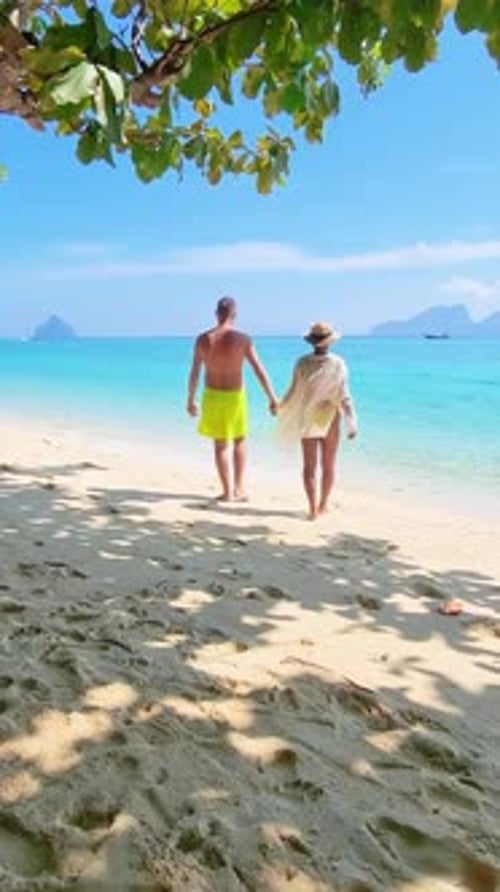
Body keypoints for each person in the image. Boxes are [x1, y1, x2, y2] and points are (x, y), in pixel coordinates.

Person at [187, 297, 278, 501]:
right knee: (239, 440)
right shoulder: (243, 339)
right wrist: (272, 398)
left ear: (216, 313)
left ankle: (227, 492)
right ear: (234, 315)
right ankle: (239, 488)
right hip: (235, 396)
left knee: (220, 444)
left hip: (212, 395)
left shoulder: (202, 339)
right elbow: (259, 370)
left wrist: (190, 399)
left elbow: (194, 371)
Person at [277, 321, 357, 520]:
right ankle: (323, 505)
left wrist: (280, 406)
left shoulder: (302, 362)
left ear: (312, 342)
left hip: (307, 416)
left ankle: (312, 509)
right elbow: (344, 395)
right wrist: (352, 422)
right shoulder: (338, 363)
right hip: (329, 416)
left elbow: (293, 390)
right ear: (330, 342)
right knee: (329, 464)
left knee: (309, 466)